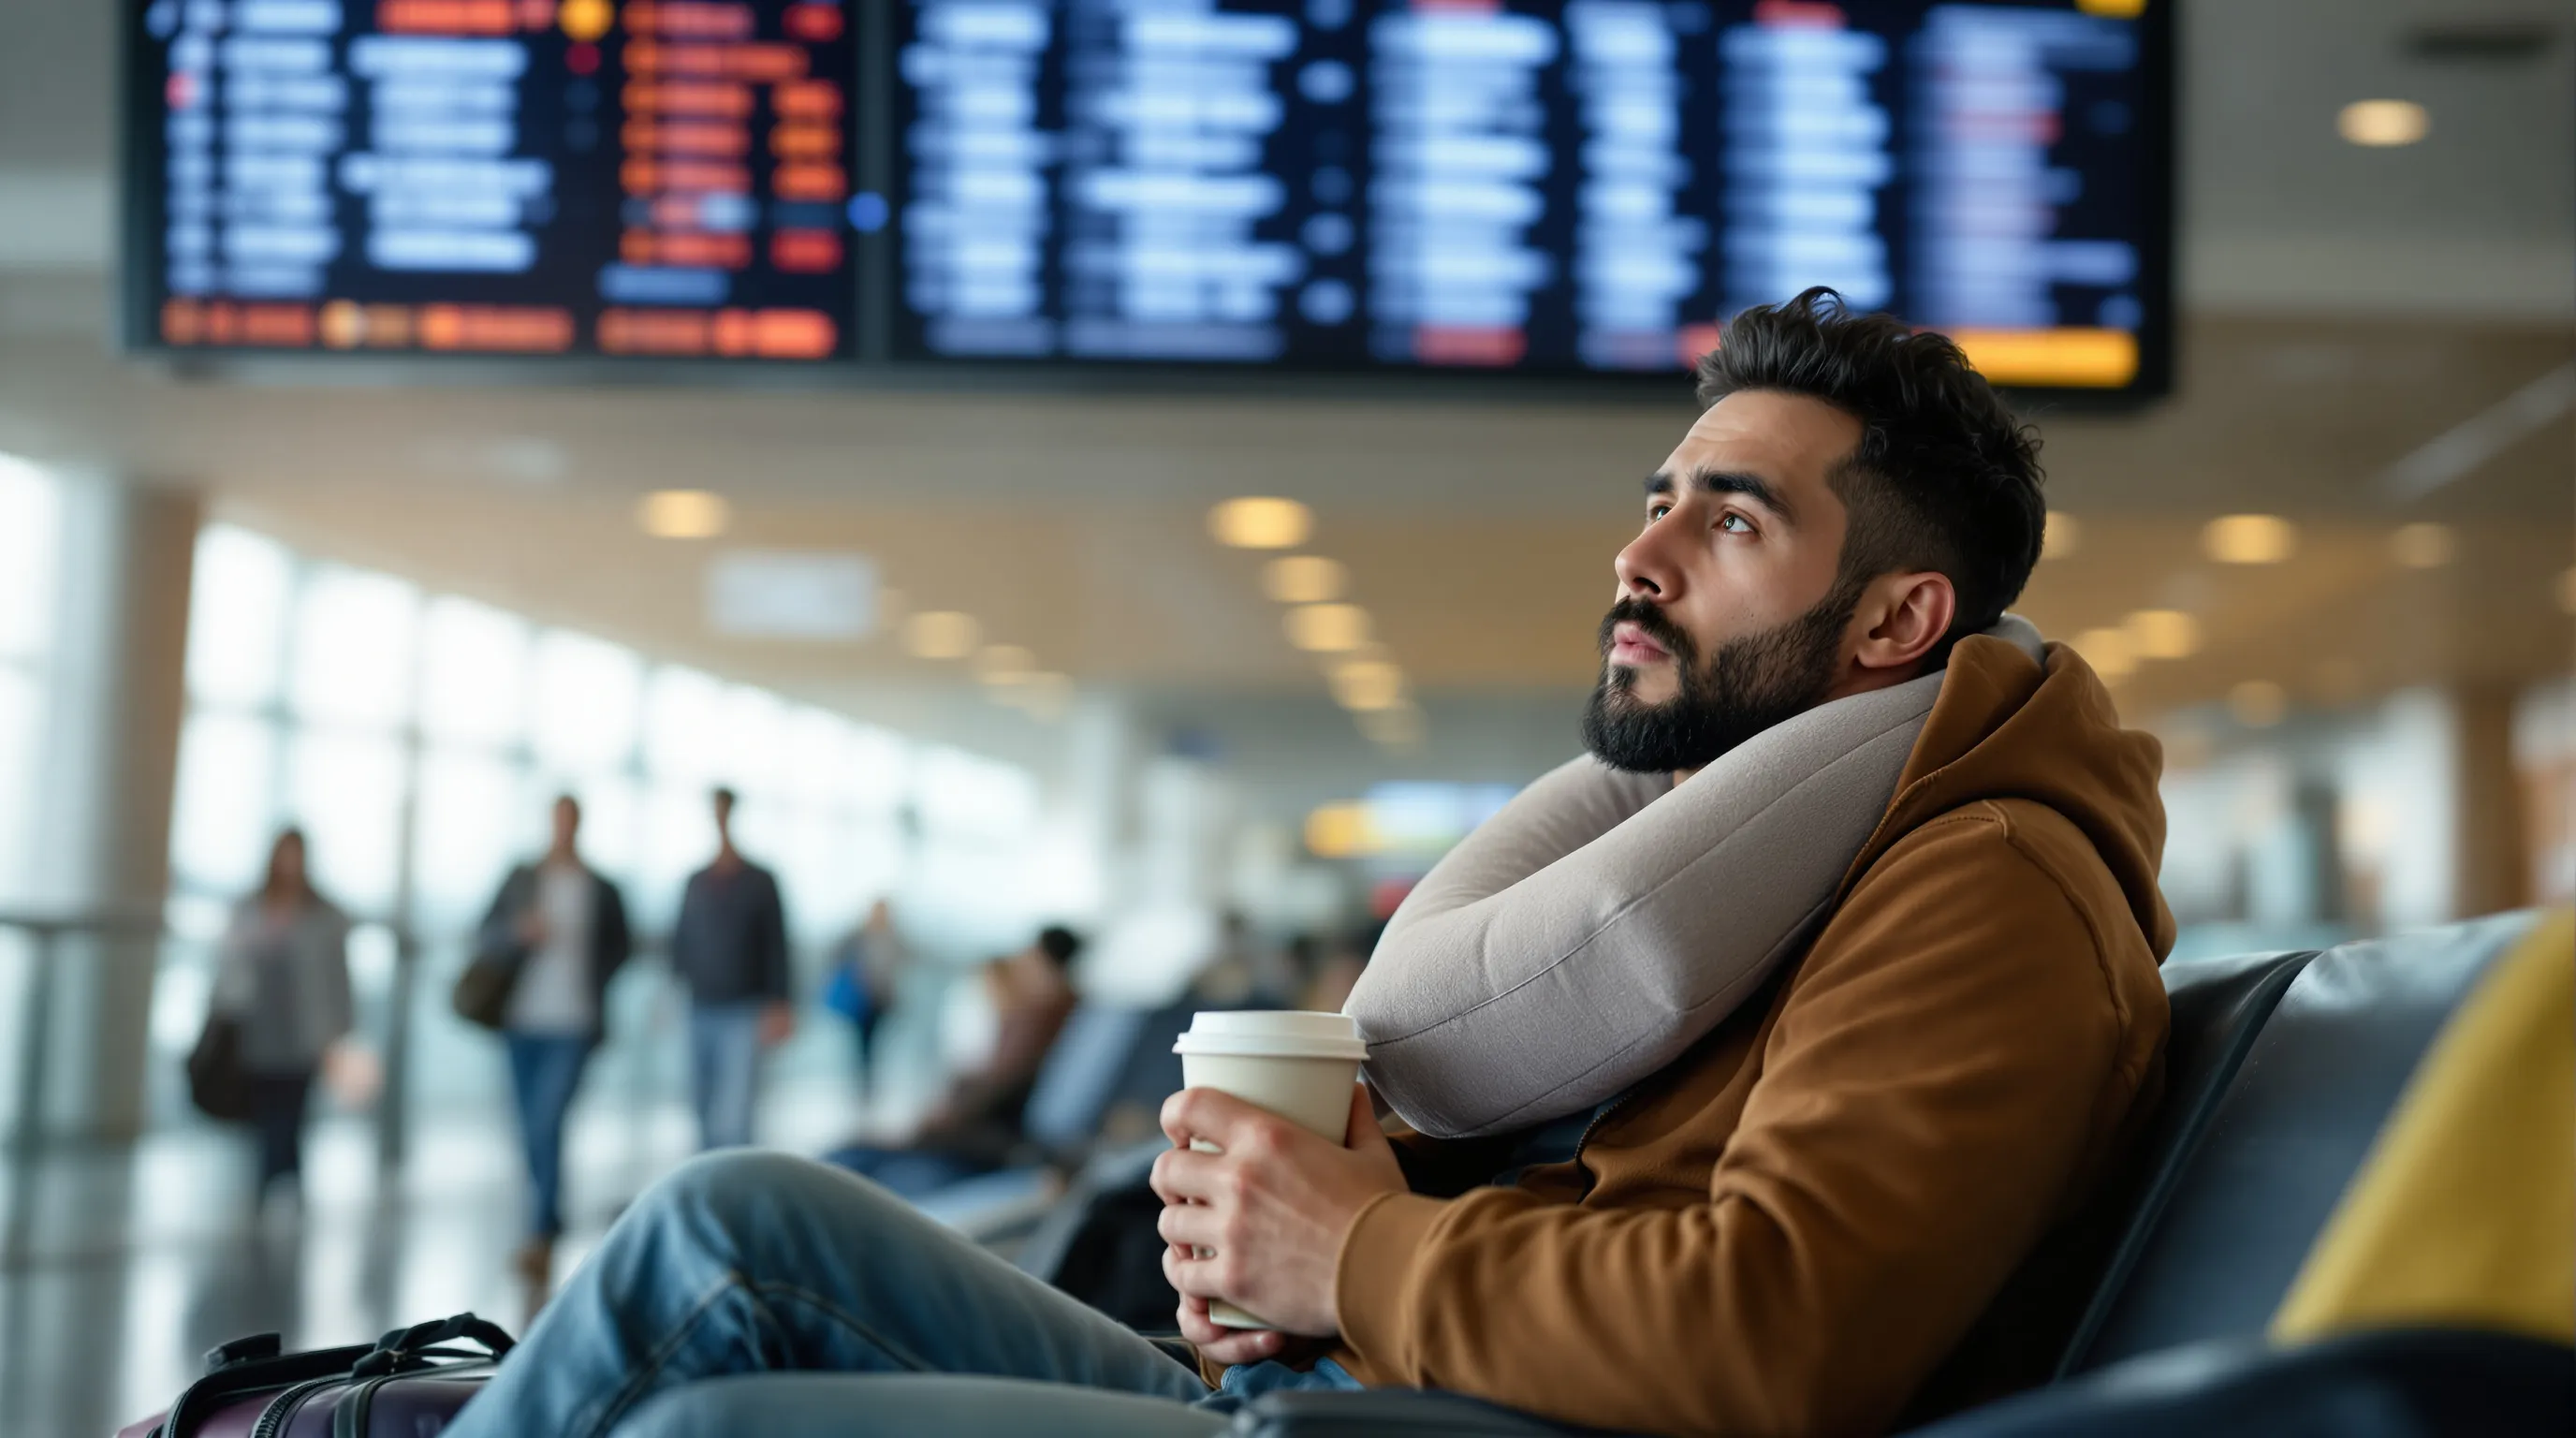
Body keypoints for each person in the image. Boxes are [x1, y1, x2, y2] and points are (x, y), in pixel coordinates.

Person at [444, 288, 2173, 1438]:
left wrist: (1353, 1254)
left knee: (719, 1423)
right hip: (1373, 1393)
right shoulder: (1770, 850)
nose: (1639, 555)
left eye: (1730, 519)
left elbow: (1778, 1328)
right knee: (724, 1219)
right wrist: (1321, 1235)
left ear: (1897, 616)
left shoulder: (1982, 883)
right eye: (1659, 498)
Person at [477, 794, 633, 1288]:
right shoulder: (523, 878)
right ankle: (547, 1217)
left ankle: (542, 1227)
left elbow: (621, 945)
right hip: (522, 1019)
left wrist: (598, 979)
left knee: (548, 1119)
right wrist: (517, 933)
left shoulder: (600, 887)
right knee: (529, 1126)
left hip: (575, 1021)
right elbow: (484, 932)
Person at [824, 925, 1082, 1197]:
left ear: (1041, 959)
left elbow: (1000, 1084)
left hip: (983, 1139)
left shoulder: (1039, 1017)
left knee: (848, 1157)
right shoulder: (1063, 1012)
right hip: (985, 1132)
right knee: (850, 1157)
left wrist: (938, 1121)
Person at [208, 828, 353, 1208]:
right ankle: (273, 1178)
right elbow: (226, 965)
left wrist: (342, 1030)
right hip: (258, 1023)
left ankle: (283, 1177)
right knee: (264, 1105)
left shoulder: (323, 913)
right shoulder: (250, 906)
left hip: (305, 1027)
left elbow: (339, 976)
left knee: (294, 1106)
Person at [670, 786, 794, 1152]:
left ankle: (733, 1190)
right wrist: (671, 991)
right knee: (701, 1104)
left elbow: (777, 944)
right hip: (699, 1004)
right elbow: (680, 940)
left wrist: (780, 1003)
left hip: (744, 1007)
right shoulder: (696, 881)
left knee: (737, 1113)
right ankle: (705, 1185)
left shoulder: (760, 880)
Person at [824, 898, 908, 1097]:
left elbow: (905, 959)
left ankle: (868, 1080)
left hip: (880, 1001)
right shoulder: (857, 937)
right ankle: (863, 1082)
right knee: (862, 1043)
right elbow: (835, 955)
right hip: (860, 999)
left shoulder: (892, 937)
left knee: (873, 1042)